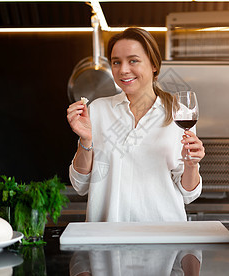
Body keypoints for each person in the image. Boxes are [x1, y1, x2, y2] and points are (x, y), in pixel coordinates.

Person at [66, 27, 204, 222]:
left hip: (163, 236)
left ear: (154, 65)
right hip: (107, 236)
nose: (123, 70)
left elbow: (189, 194)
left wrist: (192, 165)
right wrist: (86, 140)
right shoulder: (98, 110)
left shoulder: (178, 113)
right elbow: (80, 185)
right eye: (116, 62)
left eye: (133, 61)